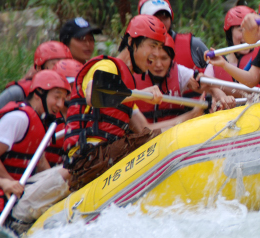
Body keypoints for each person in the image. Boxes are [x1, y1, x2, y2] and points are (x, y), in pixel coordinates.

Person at [62, 15, 201, 191]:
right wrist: (141, 94)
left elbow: (148, 131)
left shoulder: (126, 87)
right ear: (131, 42)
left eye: (159, 48)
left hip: (105, 156)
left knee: (151, 137)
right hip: (89, 159)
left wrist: (191, 116)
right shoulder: (107, 66)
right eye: (152, 46)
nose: (156, 54)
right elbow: (92, 93)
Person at [0, 70, 71, 225]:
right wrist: (10, 183)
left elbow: (41, 163)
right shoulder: (18, 118)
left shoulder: (39, 121)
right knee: (68, 171)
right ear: (38, 94)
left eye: (63, 99)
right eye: (56, 97)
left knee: (68, 171)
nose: (60, 104)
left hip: (15, 190)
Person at [133, 35, 236, 123]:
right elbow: (147, 129)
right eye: (153, 58)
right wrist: (195, 113)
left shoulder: (179, 72)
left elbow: (206, 85)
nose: (159, 65)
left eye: (164, 58)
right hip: (144, 138)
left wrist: (220, 96)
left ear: (171, 60)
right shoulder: (132, 75)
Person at [0, 41, 73, 131]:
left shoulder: (68, 96)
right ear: (40, 68)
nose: (61, 70)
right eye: (56, 65)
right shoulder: (17, 92)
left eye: (65, 65)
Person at [137, 0, 208, 74]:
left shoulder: (194, 45)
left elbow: (219, 75)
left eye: (165, 15)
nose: (160, 22)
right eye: (155, 17)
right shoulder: (133, 53)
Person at [204, 6, 258, 84]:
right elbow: (206, 93)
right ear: (229, 35)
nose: (247, 36)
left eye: (250, 30)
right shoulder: (214, 65)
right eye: (241, 30)